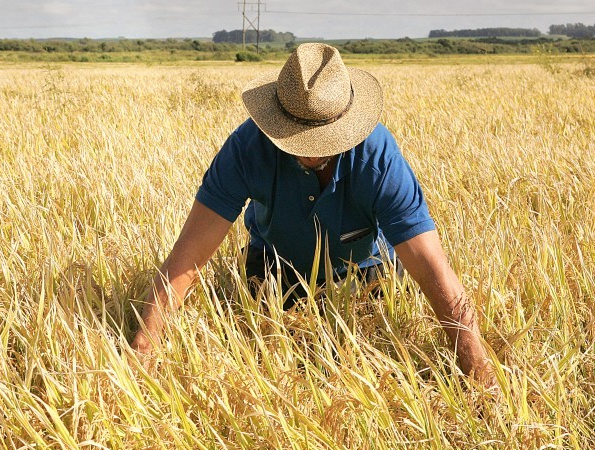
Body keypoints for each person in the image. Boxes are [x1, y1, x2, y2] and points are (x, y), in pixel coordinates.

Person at [130, 43, 495, 385]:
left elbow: (431, 267)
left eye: (324, 140)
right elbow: (188, 258)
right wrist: (145, 346)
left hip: (367, 270)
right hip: (275, 270)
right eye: (296, 138)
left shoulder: (378, 157)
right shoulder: (246, 148)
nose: (311, 153)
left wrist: (477, 367)